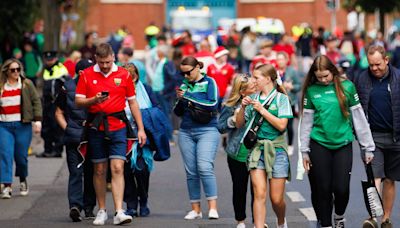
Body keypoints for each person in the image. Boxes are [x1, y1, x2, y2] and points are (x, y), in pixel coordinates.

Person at [298, 55, 375, 228]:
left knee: (341, 189)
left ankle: (339, 216)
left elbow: (359, 117)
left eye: (326, 76)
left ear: (333, 71)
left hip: (343, 143)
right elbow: (306, 123)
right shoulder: (311, 91)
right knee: (323, 189)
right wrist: (304, 151)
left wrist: (367, 147)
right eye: (319, 77)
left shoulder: (347, 87)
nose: (323, 80)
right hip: (318, 144)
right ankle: (325, 224)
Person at [75, 43, 146, 225]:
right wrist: (94, 100)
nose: (105, 66)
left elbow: (133, 103)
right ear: (96, 59)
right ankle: (102, 210)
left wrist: (140, 128)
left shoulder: (123, 74)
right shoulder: (87, 74)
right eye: (101, 62)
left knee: (117, 167)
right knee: (99, 169)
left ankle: (119, 211)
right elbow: (78, 101)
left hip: (118, 126)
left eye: (108, 62)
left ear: (113, 57)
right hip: (96, 127)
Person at [236, 64, 292, 228]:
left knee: (276, 199)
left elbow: (282, 125)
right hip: (257, 149)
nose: (253, 80)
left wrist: (262, 110)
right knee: (259, 193)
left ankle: (281, 221)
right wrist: (243, 106)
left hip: (277, 150)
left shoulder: (281, 99)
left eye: (256, 77)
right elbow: (240, 124)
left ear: (268, 79)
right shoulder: (253, 97)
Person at [352, 45, 400, 228]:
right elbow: (356, 108)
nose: (374, 68)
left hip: (396, 137)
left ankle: (385, 218)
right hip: (373, 138)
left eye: (378, 64)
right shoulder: (362, 78)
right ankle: (372, 216)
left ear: (386, 60)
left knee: (390, 179)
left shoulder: (398, 77)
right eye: (371, 65)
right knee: (375, 177)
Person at [173, 56, 220, 220]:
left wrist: (188, 97)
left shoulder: (210, 82)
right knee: (191, 171)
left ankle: (213, 207)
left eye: (188, 72)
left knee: (204, 167)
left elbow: (213, 104)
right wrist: (180, 99)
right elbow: (177, 112)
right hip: (186, 131)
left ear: (197, 68)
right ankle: (196, 209)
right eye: (182, 73)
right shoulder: (184, 85)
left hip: (207, 129)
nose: (185, 76)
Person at [54, 59, 96, 222]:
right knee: (83, 171)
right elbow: (58, 112)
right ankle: (81, 207)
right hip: (83, 136)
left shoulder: (69, 87)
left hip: (85, 135)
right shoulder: (68, 88)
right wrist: (68, 128)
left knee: (84, 171)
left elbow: (58, 113)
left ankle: (82, 206)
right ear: (81, 73)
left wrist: (68, 128)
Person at [122, 63, 164, 218]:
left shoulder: (146, 89)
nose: (130, 80)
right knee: (125, 173)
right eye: (126, 76)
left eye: (132, 76)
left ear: (137, 76)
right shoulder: (118, 90)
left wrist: (144, 115)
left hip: (142, 138)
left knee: (142, 171)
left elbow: (158, 109)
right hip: (123, 137)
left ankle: (144, 201)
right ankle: (131, 205)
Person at [218, 74, 257, 228]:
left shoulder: (261, 101)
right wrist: (233, 120)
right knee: (239, 188)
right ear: (242, 92)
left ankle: (257, 221)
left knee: (258, 189)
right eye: (252, 86)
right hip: (237, 152)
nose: (256, 87)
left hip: (257, 151)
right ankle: (240, 220)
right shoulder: (230, 105)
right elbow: (220, 127)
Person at [0, 59, 42, 199]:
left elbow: (36, 101)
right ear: (6, 71)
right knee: (5, 155)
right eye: (13, 70)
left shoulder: (26, 84)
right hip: (4, 126)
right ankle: (7, 186)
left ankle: (23, 179)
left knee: (21, 157)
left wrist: (37, 121)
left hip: (22, 125)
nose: (16, 72)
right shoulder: (1, 86)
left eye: (18, 69)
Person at [36, 51, 69, 158]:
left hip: (57, 103)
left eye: (51, 59)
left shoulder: (61, 68)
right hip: (46, 103)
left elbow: (65, 85)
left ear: (55, 58)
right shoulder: (45, 69)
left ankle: (57, 150)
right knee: (46, 126)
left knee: (57, 127)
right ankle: (47, 149)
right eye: (47, 59)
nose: (49, 61)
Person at [276, 51, 302, 156]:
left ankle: (290, 145)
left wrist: (292, 87)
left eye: (282, 59)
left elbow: (299, 85)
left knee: (289, 125)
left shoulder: (292, 71)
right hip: (277, 102)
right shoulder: (275, 71)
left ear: (287, 60)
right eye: (278, 59)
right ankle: (279, 144)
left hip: (290, 101)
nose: (280, 61)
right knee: (278, 125)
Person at [207, 46, 235, 110]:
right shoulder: (210, 67)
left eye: (226, 55)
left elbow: (231, 82)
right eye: (223, 55)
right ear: (218, 56)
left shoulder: (229, 67)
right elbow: (208, 81)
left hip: (224, 96)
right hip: (213, 95)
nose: (226, 57)